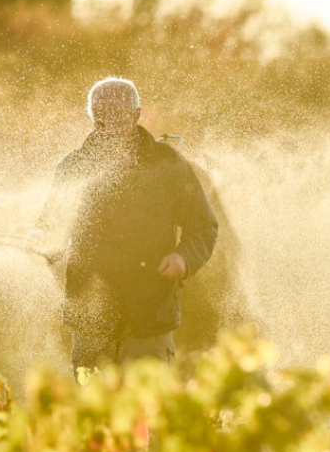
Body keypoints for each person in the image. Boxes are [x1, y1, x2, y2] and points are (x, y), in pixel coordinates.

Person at [34, 77, 218, 373]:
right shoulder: (72, 167)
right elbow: (50, 228)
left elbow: (203, 226)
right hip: (91, 322)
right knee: (96, 416)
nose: (109, 130)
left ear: (136, 115)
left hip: (150, 315)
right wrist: (42, 240)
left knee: (144, 413)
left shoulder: (167, 165)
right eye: (100, 121)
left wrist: (183, 257)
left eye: (117, 119)